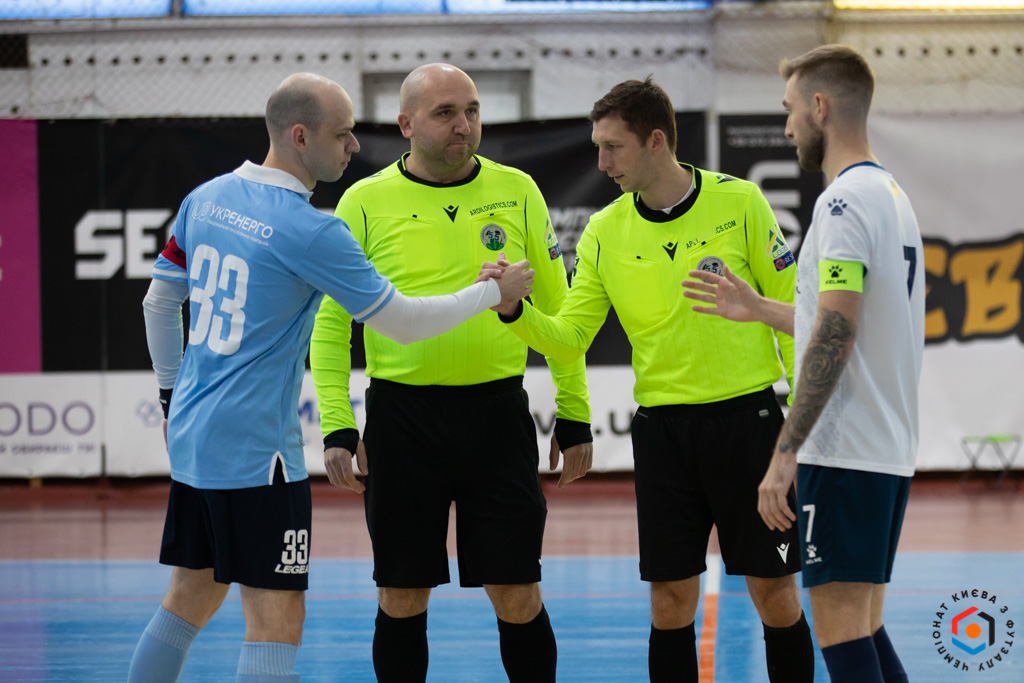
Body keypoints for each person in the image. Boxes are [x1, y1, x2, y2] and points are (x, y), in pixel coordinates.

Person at [130, 72, 533, 683]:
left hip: (193, 433)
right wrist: (490, 295)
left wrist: (170, 395)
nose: (353, 146)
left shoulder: (205, 198)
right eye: (342, 134)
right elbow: (401, 322)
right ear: (300, 137)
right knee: (277, 614)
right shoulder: (311, 230)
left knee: (191, 593)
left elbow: (158, 304)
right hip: (258, 451)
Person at [492, 77, 814, 682]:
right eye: (597, 147)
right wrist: (514, 311)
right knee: (669, 603)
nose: (601, 162)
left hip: (748, 427)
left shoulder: (741, 202)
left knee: (775, 595)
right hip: (664, 435)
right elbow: (570, 337)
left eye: (613, 147)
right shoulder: (604, 229)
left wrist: (797, 430)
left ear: (657, 141)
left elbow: (797, 317)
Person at [308, 63, 592, 683]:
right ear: (406, 124)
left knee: (516, 591)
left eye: (471, 111)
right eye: (445, 113)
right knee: (401, 594)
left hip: (497, 417)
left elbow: (563, 314)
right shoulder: (364, 200)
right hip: (401, 422)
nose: (463, 125)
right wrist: (336, 423)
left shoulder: (518, 190)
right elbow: (330, 327)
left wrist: (574, 413)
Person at [683, 44, 924, 683]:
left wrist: (785, 453)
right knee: (863, 625)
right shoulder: (891, 195)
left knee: (841, 628)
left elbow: (836, 334)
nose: (787, 126)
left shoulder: (842, 204)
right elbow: (846, 318)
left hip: (844, 453)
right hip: (885, 448)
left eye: (790, 109)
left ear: (820, 106)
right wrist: (761, 309)